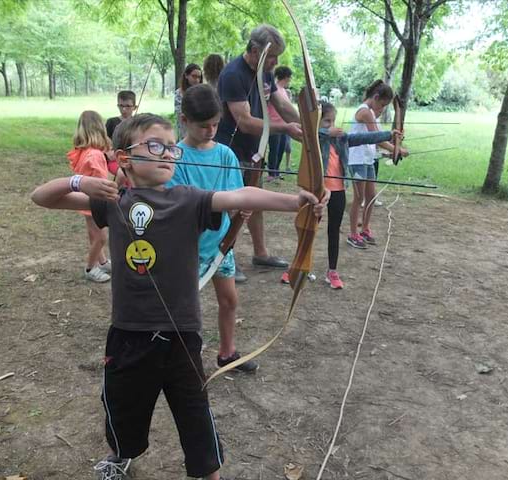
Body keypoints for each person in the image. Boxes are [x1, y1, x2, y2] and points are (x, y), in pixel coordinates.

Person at [30, 113, 328, 480]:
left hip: (181, 335)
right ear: (124, 157)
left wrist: (295, 199)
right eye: (156, 146)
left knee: (195, 416)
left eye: (171, 148)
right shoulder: (112, 199)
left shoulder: (189, 199)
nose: (169, 154)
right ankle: (121, 454)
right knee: (123, 409)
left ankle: (207, 473)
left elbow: (241, 194)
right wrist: (82, 182)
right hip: (128, 333)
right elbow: (41, 197)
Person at [166, 84, 258, 373]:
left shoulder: (225, 156)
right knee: (184, 308)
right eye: (203, 125)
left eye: (216, 124)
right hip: (187, 248)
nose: (211, 130)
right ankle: (180, 358)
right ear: (184, 120)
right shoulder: (174, 158)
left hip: (220, 245)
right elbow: (180, 204)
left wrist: (241, 208)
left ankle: (227, 353)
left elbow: (235, 197)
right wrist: (225, 204)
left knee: (229, 300)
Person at [215, 24, 304, 282]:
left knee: (255, 203)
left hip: (254, 150)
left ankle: (260, 253)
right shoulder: (234, 74)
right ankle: (225, 257)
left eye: (276, 57)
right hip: (232, 152)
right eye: (272, 56)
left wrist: (308, 124)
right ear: (255, 50)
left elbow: (281, 104)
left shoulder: (265, 72)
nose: (275, 62)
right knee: (232, 206)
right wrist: (286, 129)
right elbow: (244, 121)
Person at [281, 101, 401, 289]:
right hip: (317, 191)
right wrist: (325, 132)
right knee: (308, 229)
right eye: (327, 121)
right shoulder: (314, 139)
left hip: (337, 191)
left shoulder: (341, 139)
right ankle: (297, 267)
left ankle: (332, 271)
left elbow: (363, 138)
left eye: (333, 121)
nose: (332, 125)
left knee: (333, 230)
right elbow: (308, 132)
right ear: (318, 123)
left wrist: (389, 135)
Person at [348, 80, 408, 248]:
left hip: (367, 159)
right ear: (375, 97)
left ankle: (365, 229)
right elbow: (377, 136)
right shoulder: (364, 112)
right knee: (358, 198)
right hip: (356, 160)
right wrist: (397, 148)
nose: (382, 109)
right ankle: (353, 234)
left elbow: (376, 141)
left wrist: (393, 150)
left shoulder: (372, 115)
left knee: (371, 197)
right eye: (382, 104)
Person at [66, 110, 112, 283]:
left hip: (84, 202)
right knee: (101, 237)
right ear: (100, 128)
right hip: (95, 203)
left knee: (94, 234)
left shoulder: (83, 151)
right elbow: (101, 181)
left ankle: (102, 261)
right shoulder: (95, 155)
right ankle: (90, 268)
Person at [266, 65, 293, 181]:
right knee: (274, 149)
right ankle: (271, 173)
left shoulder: (284, 91)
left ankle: (276, 171)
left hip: (284, 125)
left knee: (281, 148)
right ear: (286, 77)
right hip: (274, 124)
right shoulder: (274, 89)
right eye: (290, 77)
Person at [105, 90, 136, 177]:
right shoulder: (111, 122)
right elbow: (103, 141)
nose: (124, 109)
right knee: (123, 174)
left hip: (132, 158)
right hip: (115, 159)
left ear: (135, 107)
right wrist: (108, 152)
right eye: (121, 106)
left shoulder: (137, 123)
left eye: (128, 106)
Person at [174, 63, 203, 140]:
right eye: (194, 76)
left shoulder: (202, 93)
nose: (197, 80)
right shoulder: (179, 93)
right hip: (184, 129)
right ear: (186, 75)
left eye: (199, 77)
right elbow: (179, 112)